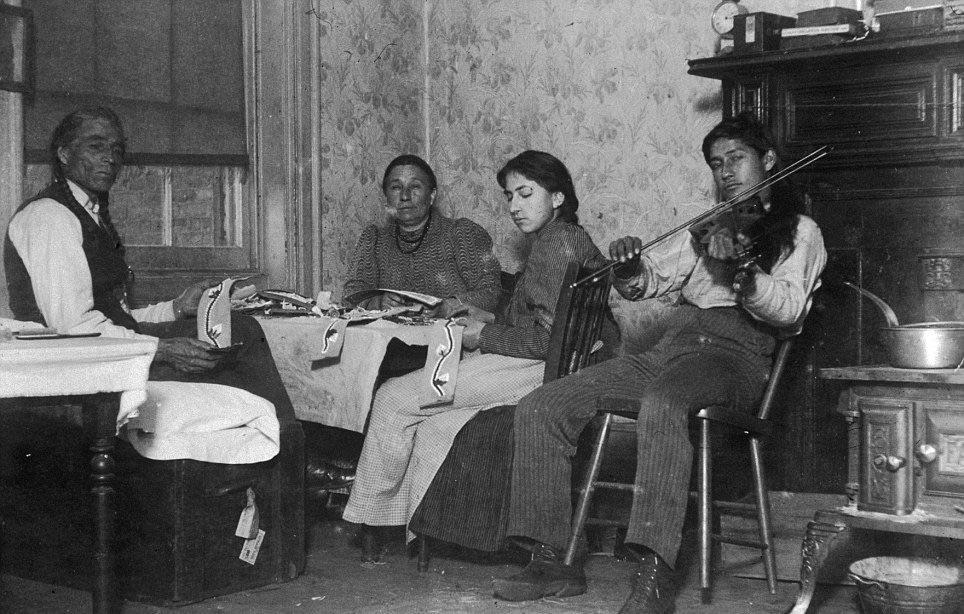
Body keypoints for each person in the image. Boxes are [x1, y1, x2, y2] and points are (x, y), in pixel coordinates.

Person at [494, 113, 827, 613]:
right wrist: (629, 266)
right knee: (545, 402)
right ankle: (551, 561)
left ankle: (652, 581)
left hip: (736, 357)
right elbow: (647, 282)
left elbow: (788, 309)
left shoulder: (801, 230)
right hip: (671, 349)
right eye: (717, 164)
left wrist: (743, 271)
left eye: (736, 159)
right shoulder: (709, 224)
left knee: (663, 402)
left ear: (769, 162)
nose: (726, 172)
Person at [342, 150, 607, 561]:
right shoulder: (561, 237)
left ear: (557, 198)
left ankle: (373, 522)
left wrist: (484, 335)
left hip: (545, 371)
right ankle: (420, 531)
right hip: (551, 365)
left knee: (394, 396)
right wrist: (490, 316)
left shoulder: (559, 244)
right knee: (435, 427)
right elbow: (542, 319)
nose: (514, 207)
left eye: (525, 194)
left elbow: (546, 341)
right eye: (509, 196)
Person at [4, 106, 294, 414]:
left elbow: (116, 316)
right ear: (64, 154)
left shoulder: (89, 212)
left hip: (113, 355)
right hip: (79, 372)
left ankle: (280, 446)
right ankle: (288, 450)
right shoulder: (50, 216)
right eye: (96, 146)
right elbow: (75, 328)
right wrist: (162, 349)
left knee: (241, 331)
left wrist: (176, 307)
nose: (110, 158)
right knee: (239, 349)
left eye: (117, 149)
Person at [342, 154, 502, 317]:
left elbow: (490, 293)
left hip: (450, 338)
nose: (405, 196)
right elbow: (350, 297)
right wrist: (377, 302)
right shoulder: (374, 239)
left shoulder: (461, 233)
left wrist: (446, 307)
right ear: (386, 197)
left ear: (432, 196)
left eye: (415, 187)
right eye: (396, 187)